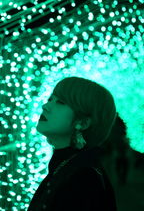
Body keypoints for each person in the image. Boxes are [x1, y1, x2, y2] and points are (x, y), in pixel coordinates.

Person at [27, 76, 118, 210]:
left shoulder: (84, 179)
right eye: (50, 99)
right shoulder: (71, 167)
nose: (45, 106)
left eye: (61, 102)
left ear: (83, 122)